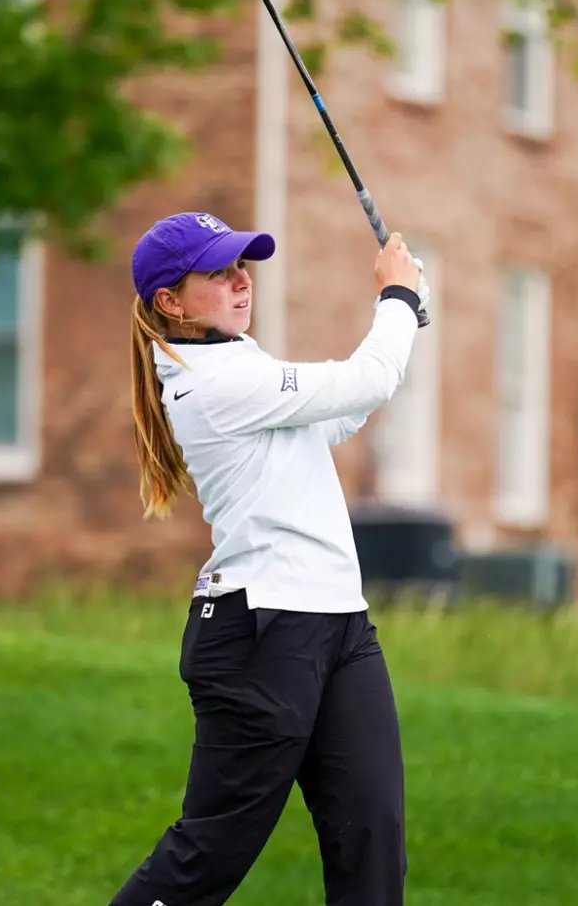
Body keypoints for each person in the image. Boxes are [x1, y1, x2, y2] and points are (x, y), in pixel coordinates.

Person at [110, 209, 426, 906]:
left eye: (242, 265)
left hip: (337, 623)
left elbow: (337, 412)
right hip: (261, 632)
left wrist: (400, 323)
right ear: (170, 301)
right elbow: (360, 384)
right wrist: (397, 302)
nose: (239, 281)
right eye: (218, 272)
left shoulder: (235, 360)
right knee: (210, 853)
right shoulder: (209, 383)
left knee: (373, 839)